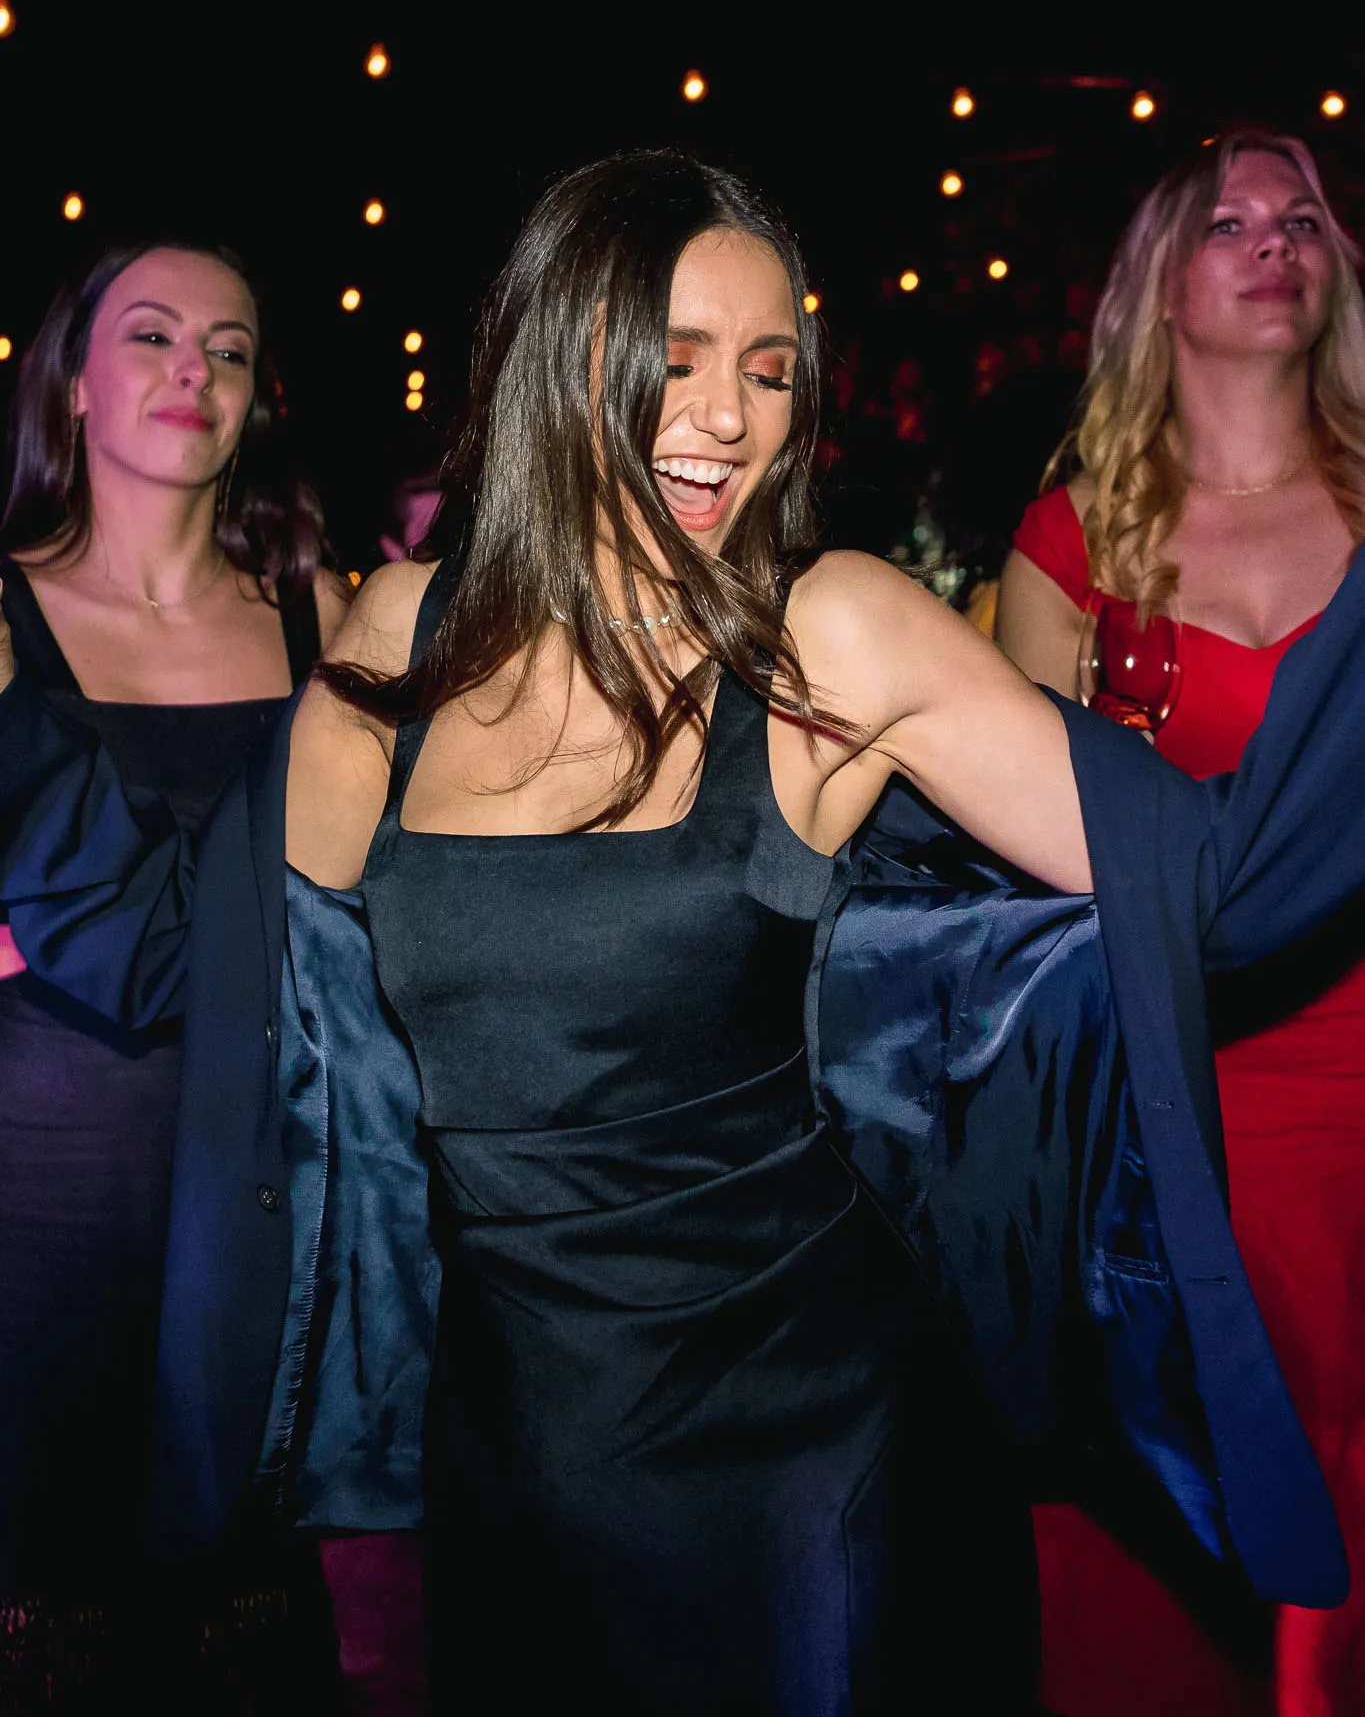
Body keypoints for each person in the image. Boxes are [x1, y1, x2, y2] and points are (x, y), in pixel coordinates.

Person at [4, 152, 1364, 1713]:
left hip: (812, 1444)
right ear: (554, 352)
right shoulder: (402, 638)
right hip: (513, 1459)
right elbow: (216, 955)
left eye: (770, 367)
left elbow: (1219, 883)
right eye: (677, 354)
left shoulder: (830, 638)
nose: (726, 413)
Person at [997, 128, 1365, 1716]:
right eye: (1229, 220)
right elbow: (1016, 903)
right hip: (1180, 1116)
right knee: (1178, 1555)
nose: (1275, 239)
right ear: (1160, 286)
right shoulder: (1070, 552)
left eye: (1303, 217)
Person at [0, 242, 350, 1707]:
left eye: (226, 348)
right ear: (75, 382)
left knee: (240, 1605)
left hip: (260, 1181)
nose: (191, 372)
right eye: (150, 337)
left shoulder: (318, 614)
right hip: (39, 1187)